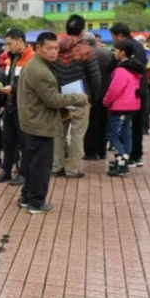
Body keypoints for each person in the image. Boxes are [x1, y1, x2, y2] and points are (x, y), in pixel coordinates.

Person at [17, 32, 88, 214]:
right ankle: (36, 202)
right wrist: (78, 99)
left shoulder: (36, 64)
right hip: (40, 124)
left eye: (56, 48)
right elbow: (53, 100)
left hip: (33, 120)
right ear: (39, 48)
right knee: (41, 166)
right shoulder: (40, 70)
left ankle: (27, 197)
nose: (54, 52)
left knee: (32, 163)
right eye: (49, 48)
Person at [52, 15, 101, 178]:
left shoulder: (55, 49)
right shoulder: (86, 50)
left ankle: (56, 166)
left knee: (59, 134)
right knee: (77, 135)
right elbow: (95, 78)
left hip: (60, 98)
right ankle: (72, 169)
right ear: (82, 31)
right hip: (81, 98)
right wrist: (92, 97)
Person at [0, 28, 34, 185]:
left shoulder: (32, 59)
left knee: (24, 141)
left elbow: (30, 84)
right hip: (10, 105)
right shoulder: (11, 58)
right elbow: (9, 80)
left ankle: (23, 172)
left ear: (19, 41)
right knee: (8, 140)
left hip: (23, 106)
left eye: (9, 43)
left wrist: (13, 89)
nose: (7, 47)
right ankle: (6, 171)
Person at [110, 23, 147, 167]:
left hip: (129, 94)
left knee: (125, 129)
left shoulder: (126, 49)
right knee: (134, 126)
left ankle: (127, 158)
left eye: (113, 36)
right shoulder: (140, 46)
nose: (113, 40)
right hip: (140, 91)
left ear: (120, 36)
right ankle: (135, 156)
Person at [103, 40, 142, 176]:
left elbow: (114, 90)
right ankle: (123, 162)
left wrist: (106, 102)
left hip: (119, 107)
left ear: (123, 52)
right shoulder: (135, 68)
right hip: (132, 106)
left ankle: (121, 161)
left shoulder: (120, 69)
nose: (114, 53)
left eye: (116, 50)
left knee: (112, 135)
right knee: (126, 134)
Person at [82, 32, 113, 160]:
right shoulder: (107, 52)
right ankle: (102, 151)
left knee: (90, 125)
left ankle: (90, 152)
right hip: (106, 94)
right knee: (104, 123)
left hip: (92, 94)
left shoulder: (86, 54)